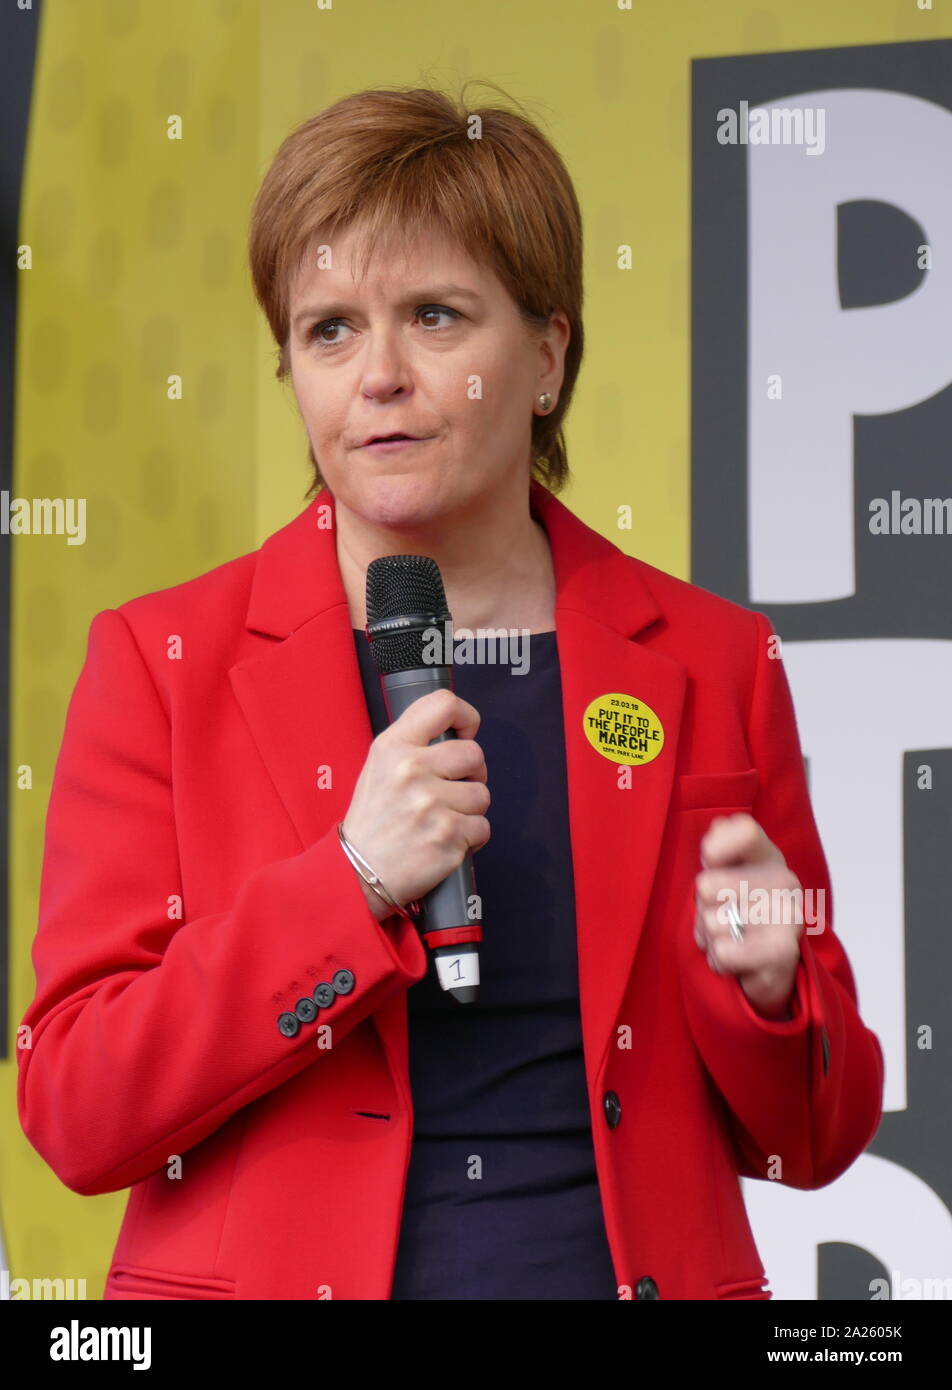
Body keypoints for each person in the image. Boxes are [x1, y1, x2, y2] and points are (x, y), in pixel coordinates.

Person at [17, 83, 884, 1301]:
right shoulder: (162, 662)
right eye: (328, 330)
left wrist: (770, 988)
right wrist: (351, 882)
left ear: (546, 357)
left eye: (433, 316)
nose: (377, 376)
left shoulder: (712, 658)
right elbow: (78, 1107)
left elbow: (815, 1137)